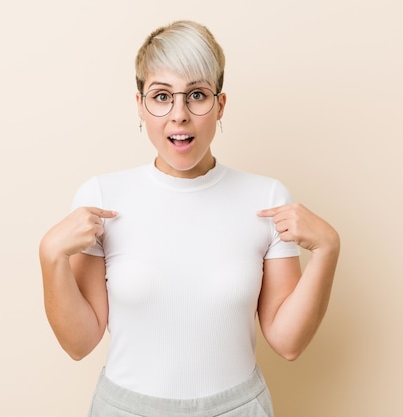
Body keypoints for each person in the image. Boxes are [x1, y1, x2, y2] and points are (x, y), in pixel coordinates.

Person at [39, 20, 340, 417]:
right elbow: (79, 343)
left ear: (220, 105)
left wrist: (327, 249)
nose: (179, 115)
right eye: (162, 96)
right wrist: (50, 255)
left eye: (197, 94)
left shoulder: (266, 198)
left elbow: (288, 343)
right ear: (140, 105)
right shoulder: (102, 198)